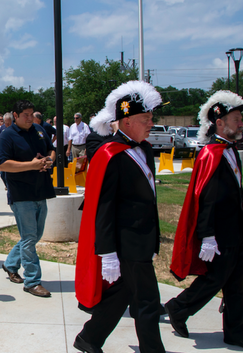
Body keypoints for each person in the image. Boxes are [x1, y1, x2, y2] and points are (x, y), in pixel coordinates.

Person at [166, 91, 243, 352]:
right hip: (220, 233)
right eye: (236, 118)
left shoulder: (230, 150)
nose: (241, 123)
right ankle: (177, 308)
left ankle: (235, 333)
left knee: (236, 285)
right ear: (219, 122)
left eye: (241, 118)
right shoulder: (211, 153)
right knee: (215, 280)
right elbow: (206, 198)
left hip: (239, 230)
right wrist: (207, 235)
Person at [74, 81, 166, 353]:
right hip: (125, 241)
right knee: (148, 300)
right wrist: (108, 253)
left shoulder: (145, 148)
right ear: (126, 122)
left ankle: (89, 338)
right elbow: (102, 208)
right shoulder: (109, 153)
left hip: (142, 237)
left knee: (122, 294)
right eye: (145, 119)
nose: (151, 123)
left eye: (151, 118)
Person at [0, 99, 56, 298]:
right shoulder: (7, 135)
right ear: (15, 115)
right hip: (21, 193)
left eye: (32, 114)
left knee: (34, 236)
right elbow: (2, 164)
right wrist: (31, 165)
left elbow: (50, 148)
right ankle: (32, 281)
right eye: (25, 115)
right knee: (30, 238)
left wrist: (50, 159)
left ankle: (11, 263)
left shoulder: (39, 130)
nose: (30, 118)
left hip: (41, 189)